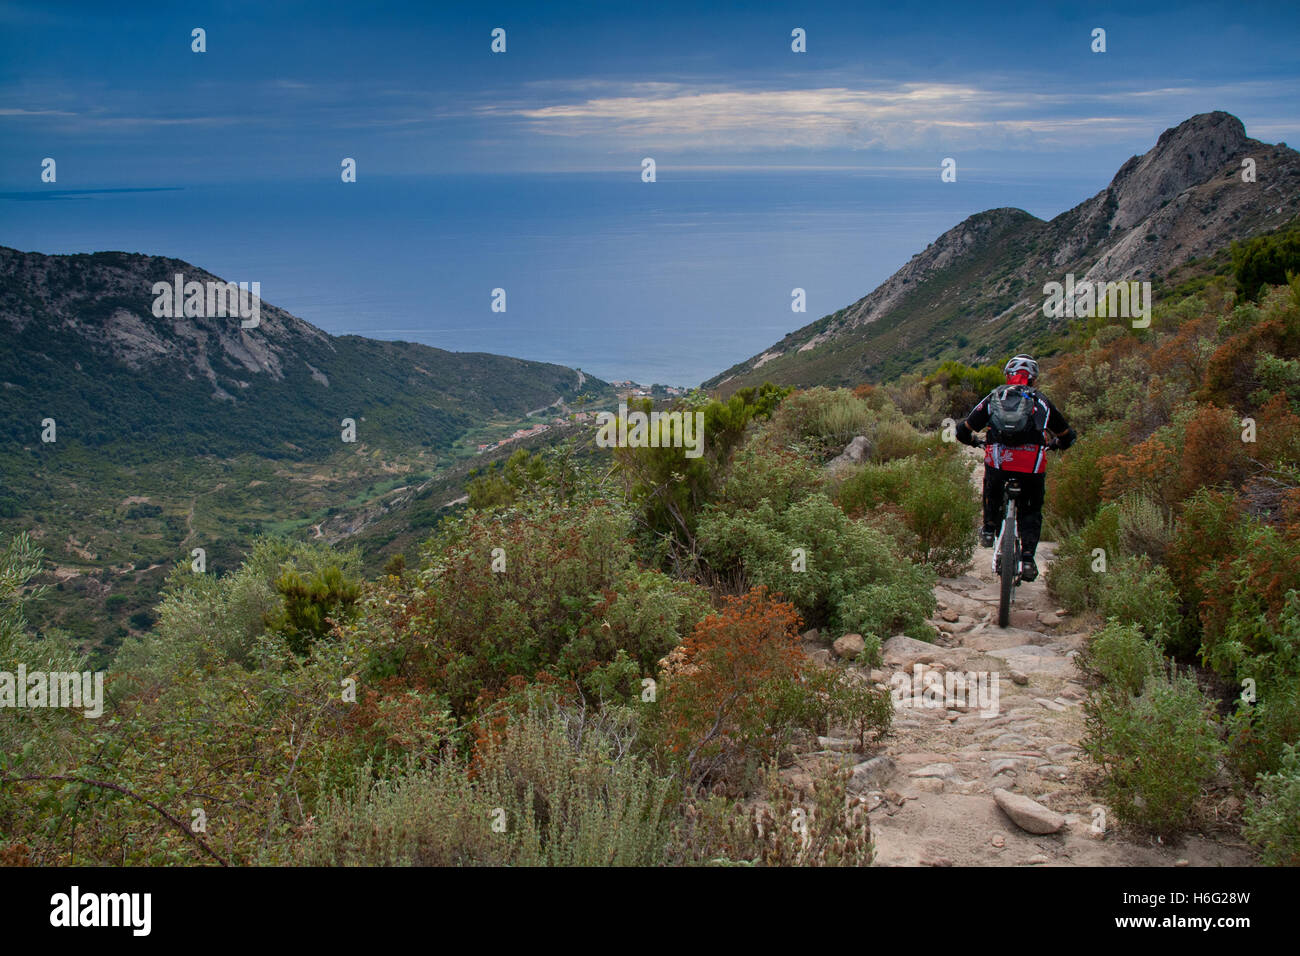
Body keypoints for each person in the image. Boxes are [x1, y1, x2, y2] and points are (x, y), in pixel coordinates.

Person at [955, 355, 1077, 582]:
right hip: (1031, 465)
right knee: (1031, 508)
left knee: (991, 486)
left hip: (1000, 461)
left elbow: (964, 428)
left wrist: (972, 440)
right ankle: (1028, 558)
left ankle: (990, 529)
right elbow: (1066, 435)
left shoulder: (995, 397)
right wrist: (1058, 443)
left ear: (1007, 376)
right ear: (1033, 380)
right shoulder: (1041, 402)